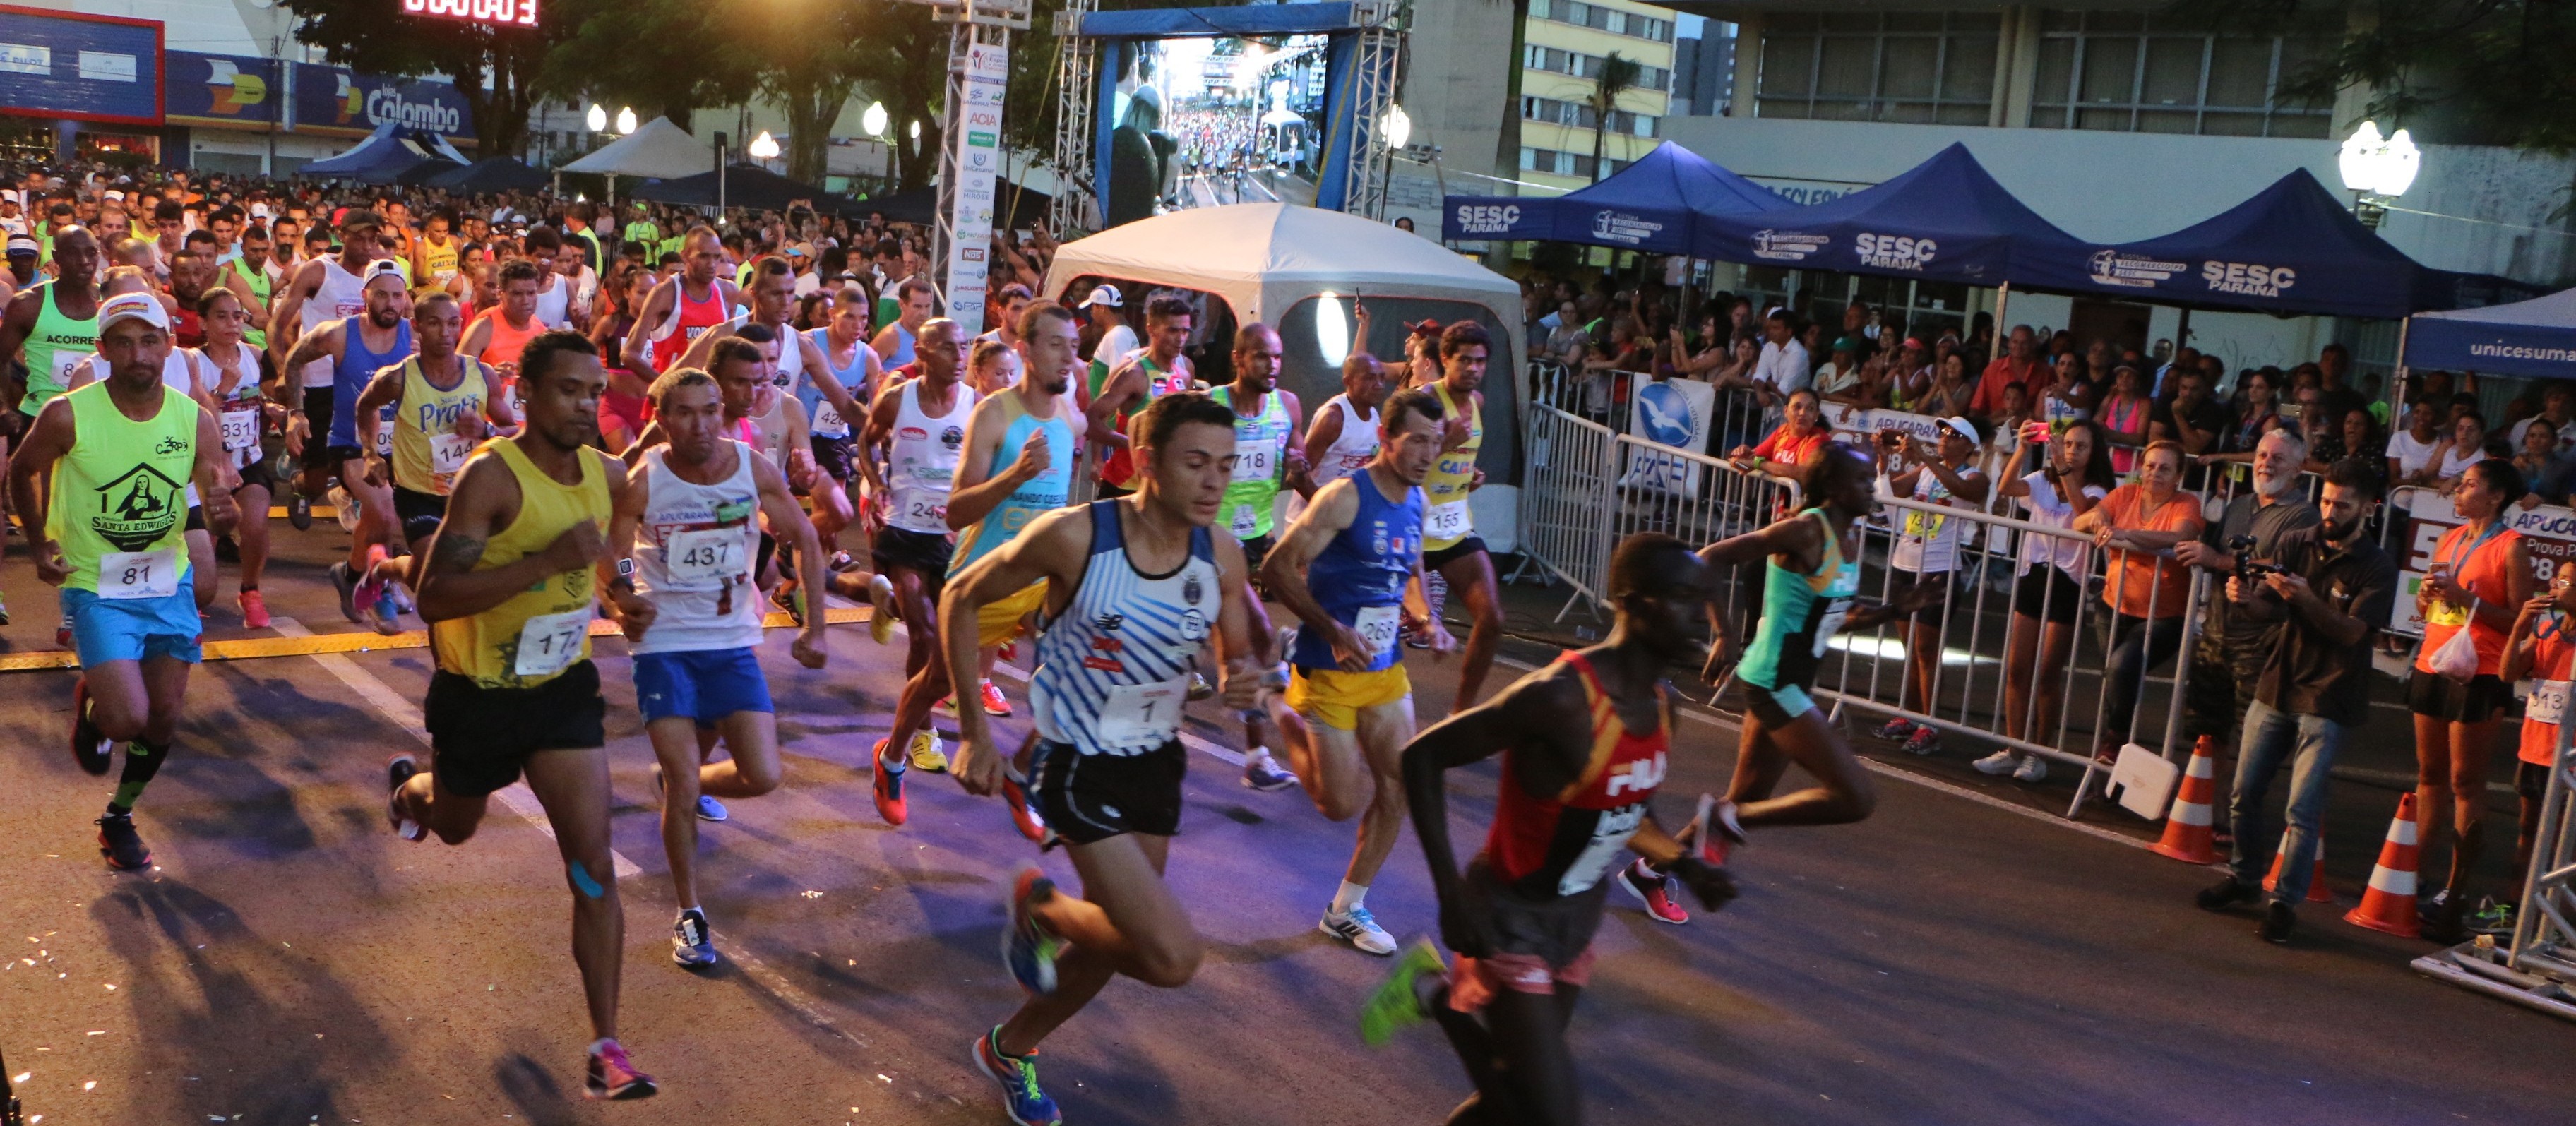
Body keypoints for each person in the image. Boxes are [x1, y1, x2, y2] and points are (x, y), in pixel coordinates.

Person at [946, 393, 1272, 1126]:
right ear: (1147, 461)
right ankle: (1045, 905)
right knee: (1168, 955)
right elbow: (960, 598)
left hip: (1155, 759)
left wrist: (1236, 674)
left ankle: (1011, 1045)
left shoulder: (1219, 549)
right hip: (1077, 761)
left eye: (1226, 465)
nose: (1215, 482)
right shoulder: (1075, 537)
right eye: (1196, 464)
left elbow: (1230, 643)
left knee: (1122, 937)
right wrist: (973, 728)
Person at [1357, 532, 1734, 1126]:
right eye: (1687, 598)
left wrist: (1686, 865)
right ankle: (1433, 993)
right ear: (1636, 603)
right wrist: (1451, 895)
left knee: (1510, 1097)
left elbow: (1627, 808)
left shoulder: (1662, 703)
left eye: (1706, 599)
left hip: (1575, 920)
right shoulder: (1560, 697)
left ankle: (1430, 994)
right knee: (1550, 1117)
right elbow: (1421, 758)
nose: (1703, 617)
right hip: (1509, 915)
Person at [383, 330, 658, 1100]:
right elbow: (434, 597)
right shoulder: (490, 477)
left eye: (594, 391)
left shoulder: (607, 473)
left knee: (593, 864)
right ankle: (411, 791)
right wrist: (544, 562)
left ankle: (608, 1044)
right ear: (527, 394)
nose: (584, 404)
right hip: (477, 696)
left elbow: (603, 557)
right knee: (454, 822)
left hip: (561, 691)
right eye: (569, 389)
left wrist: (621, 598)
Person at [607, 365, 830, 969]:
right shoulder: (646, 477)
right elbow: (612, 546)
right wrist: (624, 593)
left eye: (710, 410)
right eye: (685, 412)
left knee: (763, 775)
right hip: (665, 646)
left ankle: (684, 787)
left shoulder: (752, 469)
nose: (701, 424)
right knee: (682, 781)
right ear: (662, 419)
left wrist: (815, 625)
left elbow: (806, 538)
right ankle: (690, 914)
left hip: (732, 645)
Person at [11, 293, 237, 870]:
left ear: (169, 347)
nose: (139, 354)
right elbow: (21, 469)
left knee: (163, 717)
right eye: (125, 342)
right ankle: (97, 710)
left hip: (167, 582)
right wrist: (40, 544)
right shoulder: (68, 413)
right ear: (104, 348)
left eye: (151, 340)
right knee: (127, 718)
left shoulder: (194, 420)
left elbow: (212, 501)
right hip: (96, 582)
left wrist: (222, 512)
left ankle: (119, 815)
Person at [869, 301, 1082, 830]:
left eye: (1075, 346)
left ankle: (1021, 773)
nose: (1068, 357)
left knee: (1088, 668)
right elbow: (959, 508)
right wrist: (1015, 475)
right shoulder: (993, 413)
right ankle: (892, 757)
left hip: (1042, 579)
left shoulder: (1071, 417)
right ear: (1027, 351)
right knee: (935, 679)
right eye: (1056, 345)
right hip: (984, 578)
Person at [1255, 387, 1454, 953]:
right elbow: (1276, 567)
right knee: (1337, 804)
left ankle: (1347, 908)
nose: (1426, 453)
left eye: (1435, 443)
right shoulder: (1344, 498)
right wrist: (1335, 629)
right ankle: (1276, 699)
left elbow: (1411, 570)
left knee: (1400, 784)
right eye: (1416, 440)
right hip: (1330, 668)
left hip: (1387, 668)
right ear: (1387, 438)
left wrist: (1426, 618)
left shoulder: (1417, 500)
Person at [2195, 457, 2396, 943]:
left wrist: (2306, 598)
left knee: (2302, 809)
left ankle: (2284, 901)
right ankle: (2244, 878)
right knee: (2244, 792)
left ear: (2367, 508)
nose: (2330, 510)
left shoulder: (2377, 565)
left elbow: (2352, 632)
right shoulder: (2295, 541)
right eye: (2326, 499)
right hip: (2279, 680)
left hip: (2328, 693)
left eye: (2342, 504)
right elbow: (2269, 608)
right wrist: (2246, 597)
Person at [2410, 457, 2532, 942]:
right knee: (2429, 774)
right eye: (2459, 485)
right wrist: (2426, 597)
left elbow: (2521, 622)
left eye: (2469, 485)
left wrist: (2468, 599)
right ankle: (2409, 872)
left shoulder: (2511, 546)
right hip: (2433, 663)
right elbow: (2433, 604)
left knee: (2465, 780)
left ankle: (2454, 889)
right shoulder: (2451, 538)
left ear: (2497, 495)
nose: (2457, 492)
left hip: (2481, 672)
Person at [858, 315, 982, 772]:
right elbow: (866, 442)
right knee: (925, 632)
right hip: (904, 530)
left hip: (952, 537)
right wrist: (876, 482)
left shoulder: (975, 404)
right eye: (948, 348)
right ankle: (923, 734)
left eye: (964, 347)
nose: (959, 357)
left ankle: (880, 600)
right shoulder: (897, 400)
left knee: (948, 640)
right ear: (923, 355)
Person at [2174, 429, 2318, 808]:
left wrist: (2217, 561)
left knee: (2251, 739)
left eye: (2278, 458)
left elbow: (2281, 567)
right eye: (2262, 455)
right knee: (2208, 731)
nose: (2266, 463)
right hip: (2217, 634)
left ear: (2300, 468)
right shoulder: (2238, 505)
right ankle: (2204, 810)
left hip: (2262, 643)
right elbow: (2215, 551)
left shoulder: (2303, 514)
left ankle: (2235, 817)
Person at [350, 289, 517, 597]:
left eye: (454, 324)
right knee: (430, 579)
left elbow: (514, 431)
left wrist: (486, 431)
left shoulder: (482, 375)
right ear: (416, 326)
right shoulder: (399, 378)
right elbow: (365, 405)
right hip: (419, 494)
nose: (446, 333)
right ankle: (381, 569)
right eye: (435, 324)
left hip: (471, 493)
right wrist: (371, 454)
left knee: (462, 574)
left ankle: (380, 569)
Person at [279, 260, 416, 633]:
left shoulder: (414, 336)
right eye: (382, 294)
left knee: (374, 521)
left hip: (396, 445)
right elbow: (294, 361)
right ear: (365, 296)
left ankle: (350, 573)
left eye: (397, 296)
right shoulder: (338, 334)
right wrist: (296, 412)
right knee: (385, 515)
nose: (390, 303)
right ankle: (378, 586)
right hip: (350, 443)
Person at [1980, 418, 2116, 781]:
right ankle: (2015, 748)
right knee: (2017, 670)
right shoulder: (2042, 480)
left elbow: (2082, 511)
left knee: (2047, 675)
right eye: (2068, 443)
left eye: (2081, 446)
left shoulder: (2099, 490)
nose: (2072, 450)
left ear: (2094, 453)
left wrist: (2063, 466)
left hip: (2068, 582)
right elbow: (2007, 486)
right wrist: (2023, 448)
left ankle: (2038, 753)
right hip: (2033, 575)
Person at [1210, 322, 1306, 789]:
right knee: (1256, 634)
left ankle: (1256, 753)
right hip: (1213, 540)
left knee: (1241, 650)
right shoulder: (1212, 405)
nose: (1272, 366)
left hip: (1261, 535)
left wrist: (1304, 467)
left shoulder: (1286, 406)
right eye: (1262, 357)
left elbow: (1297, 453)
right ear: (1239, 359)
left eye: (1278, 357)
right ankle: (1258, 755)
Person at [2073, 440, 2205, 762]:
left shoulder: (2185, 503)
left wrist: (2127, 535)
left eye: (2164, 468)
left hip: (2163, 615)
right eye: (2150, 466)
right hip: (2113, 605)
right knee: (2115, 679)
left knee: (2122, 665)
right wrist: (2101, 523)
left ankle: (2115, 739)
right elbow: (2081, 522)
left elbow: (2180, 537)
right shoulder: (2125, 494)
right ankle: (2107, 758)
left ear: (2178, 476)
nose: (2155, 473)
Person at [1868, 417, 1988, 760]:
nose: (1944, 438)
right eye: (1943, 433)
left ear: (1969, 447)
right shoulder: (1925, 469)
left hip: (1939, 570)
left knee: (1927, 652)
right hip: (1905, 562)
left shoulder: (1974, 476)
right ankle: (1908, 715)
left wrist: (1926, 458)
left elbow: (1968, 493)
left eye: (1953, 435)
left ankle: (1930, 724)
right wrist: (1882, 459)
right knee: (1910, 650)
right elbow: (1893, 490)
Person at [186, 287, 282, 628]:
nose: (232, 323)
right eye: (221, 316)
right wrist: (223, 389)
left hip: (247, 459)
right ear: (203, 323)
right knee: (206, 537)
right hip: (208, 465)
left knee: (255, 523)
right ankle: (191, 595)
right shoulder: (193, 362)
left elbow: (255, 399)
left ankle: (250, 590)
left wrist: (273, 410)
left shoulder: (253, 355)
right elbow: (195, 411)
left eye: (238, 316)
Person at [2496, 560, 2576, 938]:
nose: (2555, 586)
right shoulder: (2545, 626)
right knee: (2528, 831)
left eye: (2565, 582)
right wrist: (2518, 628)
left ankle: (2552, 925)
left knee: (2562, 845)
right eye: (2557, 579)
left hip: (2569, 760)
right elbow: (2508, 673)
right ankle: (2511, 910)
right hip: (2535, 748)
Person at [1085, 294, 1198, 498]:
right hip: (1123, 486)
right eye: (1172, 330)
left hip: (1160, 488)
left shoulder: (1183, 375)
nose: (1180, 338)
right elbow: (1091, 420)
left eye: (1185, 331)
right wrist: (1129, 444)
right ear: (1151, 329)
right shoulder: (1134, 374)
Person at [622, 227, 741, 376]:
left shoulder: (728, 292)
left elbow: (727, 351)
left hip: (708, 396)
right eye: (704, 256)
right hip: (671, 395)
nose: (711, 264)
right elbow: (629, 353)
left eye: (716, 257)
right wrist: (663, 384)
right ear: (685, 256)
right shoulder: (665, 293)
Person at [1726, 386, 1831, 478]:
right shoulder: (1783, 431)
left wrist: (1759, 464)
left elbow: (1803, 472)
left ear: (1817, 415)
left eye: (1810, 409)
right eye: (1797, 407)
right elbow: (1753, 458)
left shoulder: (1819, 438)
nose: (1803, 413)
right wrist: (1743, 454)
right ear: (1785, 411)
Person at [1967, 324, 2041, 420]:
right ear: (2009, 343)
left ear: (2033, 344)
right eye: (2015, 342)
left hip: (2030, 430)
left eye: (2024, 343)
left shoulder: (2044, 372)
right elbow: (1977, 407)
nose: (2019, 346)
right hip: (1995, 430)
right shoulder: (1993, 370)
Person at [871, 276, 936, 369]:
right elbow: (865, 374)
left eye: (927, 306)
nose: (923, 313)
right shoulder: (890, 336)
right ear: (902, 304)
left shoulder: (930, 336)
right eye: (917, 307)